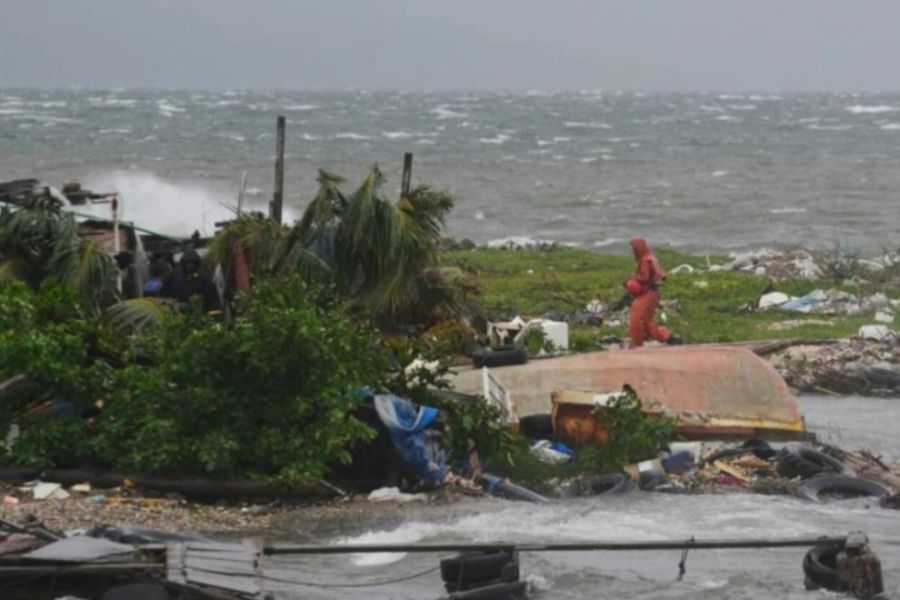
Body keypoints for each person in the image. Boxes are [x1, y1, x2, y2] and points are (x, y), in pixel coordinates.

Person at [625, 238, 682, 348]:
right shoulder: (652, 258)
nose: (633, 251)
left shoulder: (645, 260)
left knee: (636, 320)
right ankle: (668, 337)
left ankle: (635, 344)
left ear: (639, 248)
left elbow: (644, 278)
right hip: (654, 293)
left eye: (634, 248)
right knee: (647, 321)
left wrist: (629, 282)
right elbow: (662, 276)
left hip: (646, 294)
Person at [161, 247, 221, 313]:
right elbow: (164, 294)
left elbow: (212, 298)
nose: (189, 266)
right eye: (187, 263)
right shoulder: (174, 275)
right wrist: (170, 302)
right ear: (183, 263)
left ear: (197, 263)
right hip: (177, 312)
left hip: (200, 313)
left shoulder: (204, 276)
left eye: (192, 263)